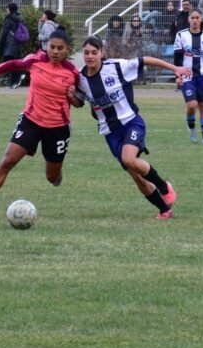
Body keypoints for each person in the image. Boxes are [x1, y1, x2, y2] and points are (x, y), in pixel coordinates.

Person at [68, 36, 190, 219]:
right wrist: (70, 96)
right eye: (86, 53)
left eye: (94, 52)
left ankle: (164, 186)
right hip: (110, 132)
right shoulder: (80, 79)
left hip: (131, 122)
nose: (90, 56)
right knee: (136, 176)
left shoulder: (117, 67)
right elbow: (79, 103)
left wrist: (176, 69)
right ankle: (164, 209)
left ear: (102, 53)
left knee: (128, 159)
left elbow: (146, 59)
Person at [0, 27, 79, 216]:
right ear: (47, 46)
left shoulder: (73, 73)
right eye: (52, 47)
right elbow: (12, 64)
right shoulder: (35, 60)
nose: (56, 52)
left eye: (60, 48)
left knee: (51, 176)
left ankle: (57, 175)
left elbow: (79, 102)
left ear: (67, 49)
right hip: (31, 121)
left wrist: (72, 97)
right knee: (8, 160)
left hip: (57, 128)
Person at [174, 9, 203, 144]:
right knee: (192, 105)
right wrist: (177, 75)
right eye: (192, 18)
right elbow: (177, 57)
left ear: (201, 20)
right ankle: (192, 127)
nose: (194, 20)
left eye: (197, 18)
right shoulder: (181, 35)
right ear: (189, 20)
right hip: (187, 76)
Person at [0, 2, 25, 89]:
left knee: (10, 64)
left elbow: (4, 32)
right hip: (18, 44)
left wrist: (0, 42)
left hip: (9, 45)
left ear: (10, 9)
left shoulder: (8, 19)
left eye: (7, 8)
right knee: (15, 64)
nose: (6, 10)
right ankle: (15, 82)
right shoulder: (19, 19)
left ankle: (13, 82)